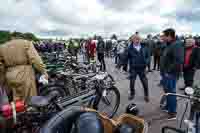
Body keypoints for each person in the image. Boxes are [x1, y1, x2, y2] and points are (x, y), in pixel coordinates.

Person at [160, 28, 184, 120]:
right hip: (166, 73)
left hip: (171, 74)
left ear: (169, 36)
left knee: (171, 93)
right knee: (167, 92)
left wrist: (168, 71)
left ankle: (173, 112)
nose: (163, 38)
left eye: (165, 36)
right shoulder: (169, 44)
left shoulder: (177, 45)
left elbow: (178, 60)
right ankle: (168, 107)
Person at [127, 34, 150, 102]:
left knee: (145, 82)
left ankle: (146, 95)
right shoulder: (129, 48)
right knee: (132, 82)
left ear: (140, 39)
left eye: (138, 39)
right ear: (132, 40)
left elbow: (148, 56)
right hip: (133, 68)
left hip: (142, 68)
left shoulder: (145, 47)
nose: (137, 40)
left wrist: (146, 62)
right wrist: (119, 66)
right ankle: (132, 94)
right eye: (135, 39)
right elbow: (125, 57)